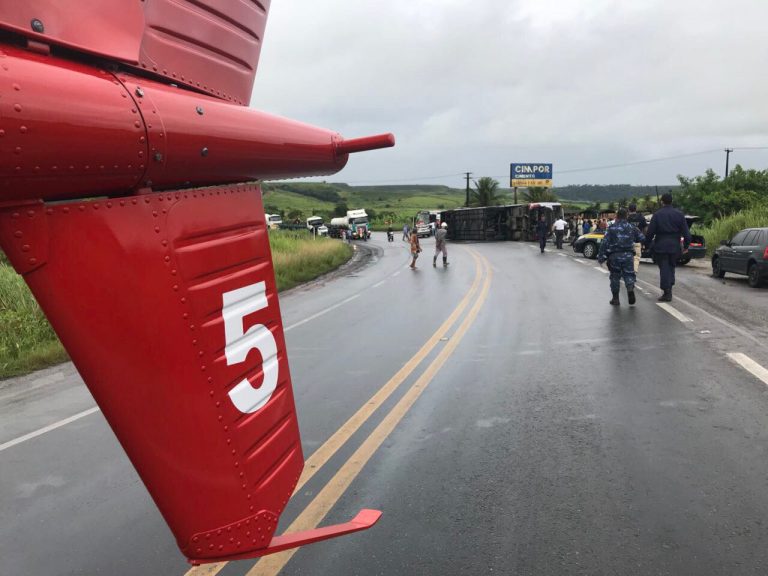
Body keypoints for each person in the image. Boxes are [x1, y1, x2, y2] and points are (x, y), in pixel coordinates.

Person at [644, 192, 690, 301]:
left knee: (664, 268)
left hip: (661, 245)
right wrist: (686, 245)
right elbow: (687, 233)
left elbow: (650, 232)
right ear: (672, 201)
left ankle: (667, 291)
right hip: (675, 245)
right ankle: (670, 283)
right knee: (672, 266)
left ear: (662, 202)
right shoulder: (679, 214)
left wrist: (647, 244)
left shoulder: (657, 215)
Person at [597, 207, 645, 306]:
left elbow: (604, 243)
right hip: (628, 255)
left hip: (614, 256)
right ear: (627, 216)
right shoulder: (632, 227)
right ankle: (630, 288)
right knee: (629, 275)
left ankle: (615, 299)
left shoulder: (612, 228)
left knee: (615, 277)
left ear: (617, 216)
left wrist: (601, 257)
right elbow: (642, 238)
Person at [627, 203, 648, 273]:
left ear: (629, 210)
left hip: (628, 241)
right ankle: (634, 270)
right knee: (636, 257)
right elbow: (645, 229)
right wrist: (644, 239)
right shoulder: (641, 217)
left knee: (628, 256)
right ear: (636, 209)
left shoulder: (627, 218)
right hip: (638, 241)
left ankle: (628, 270)